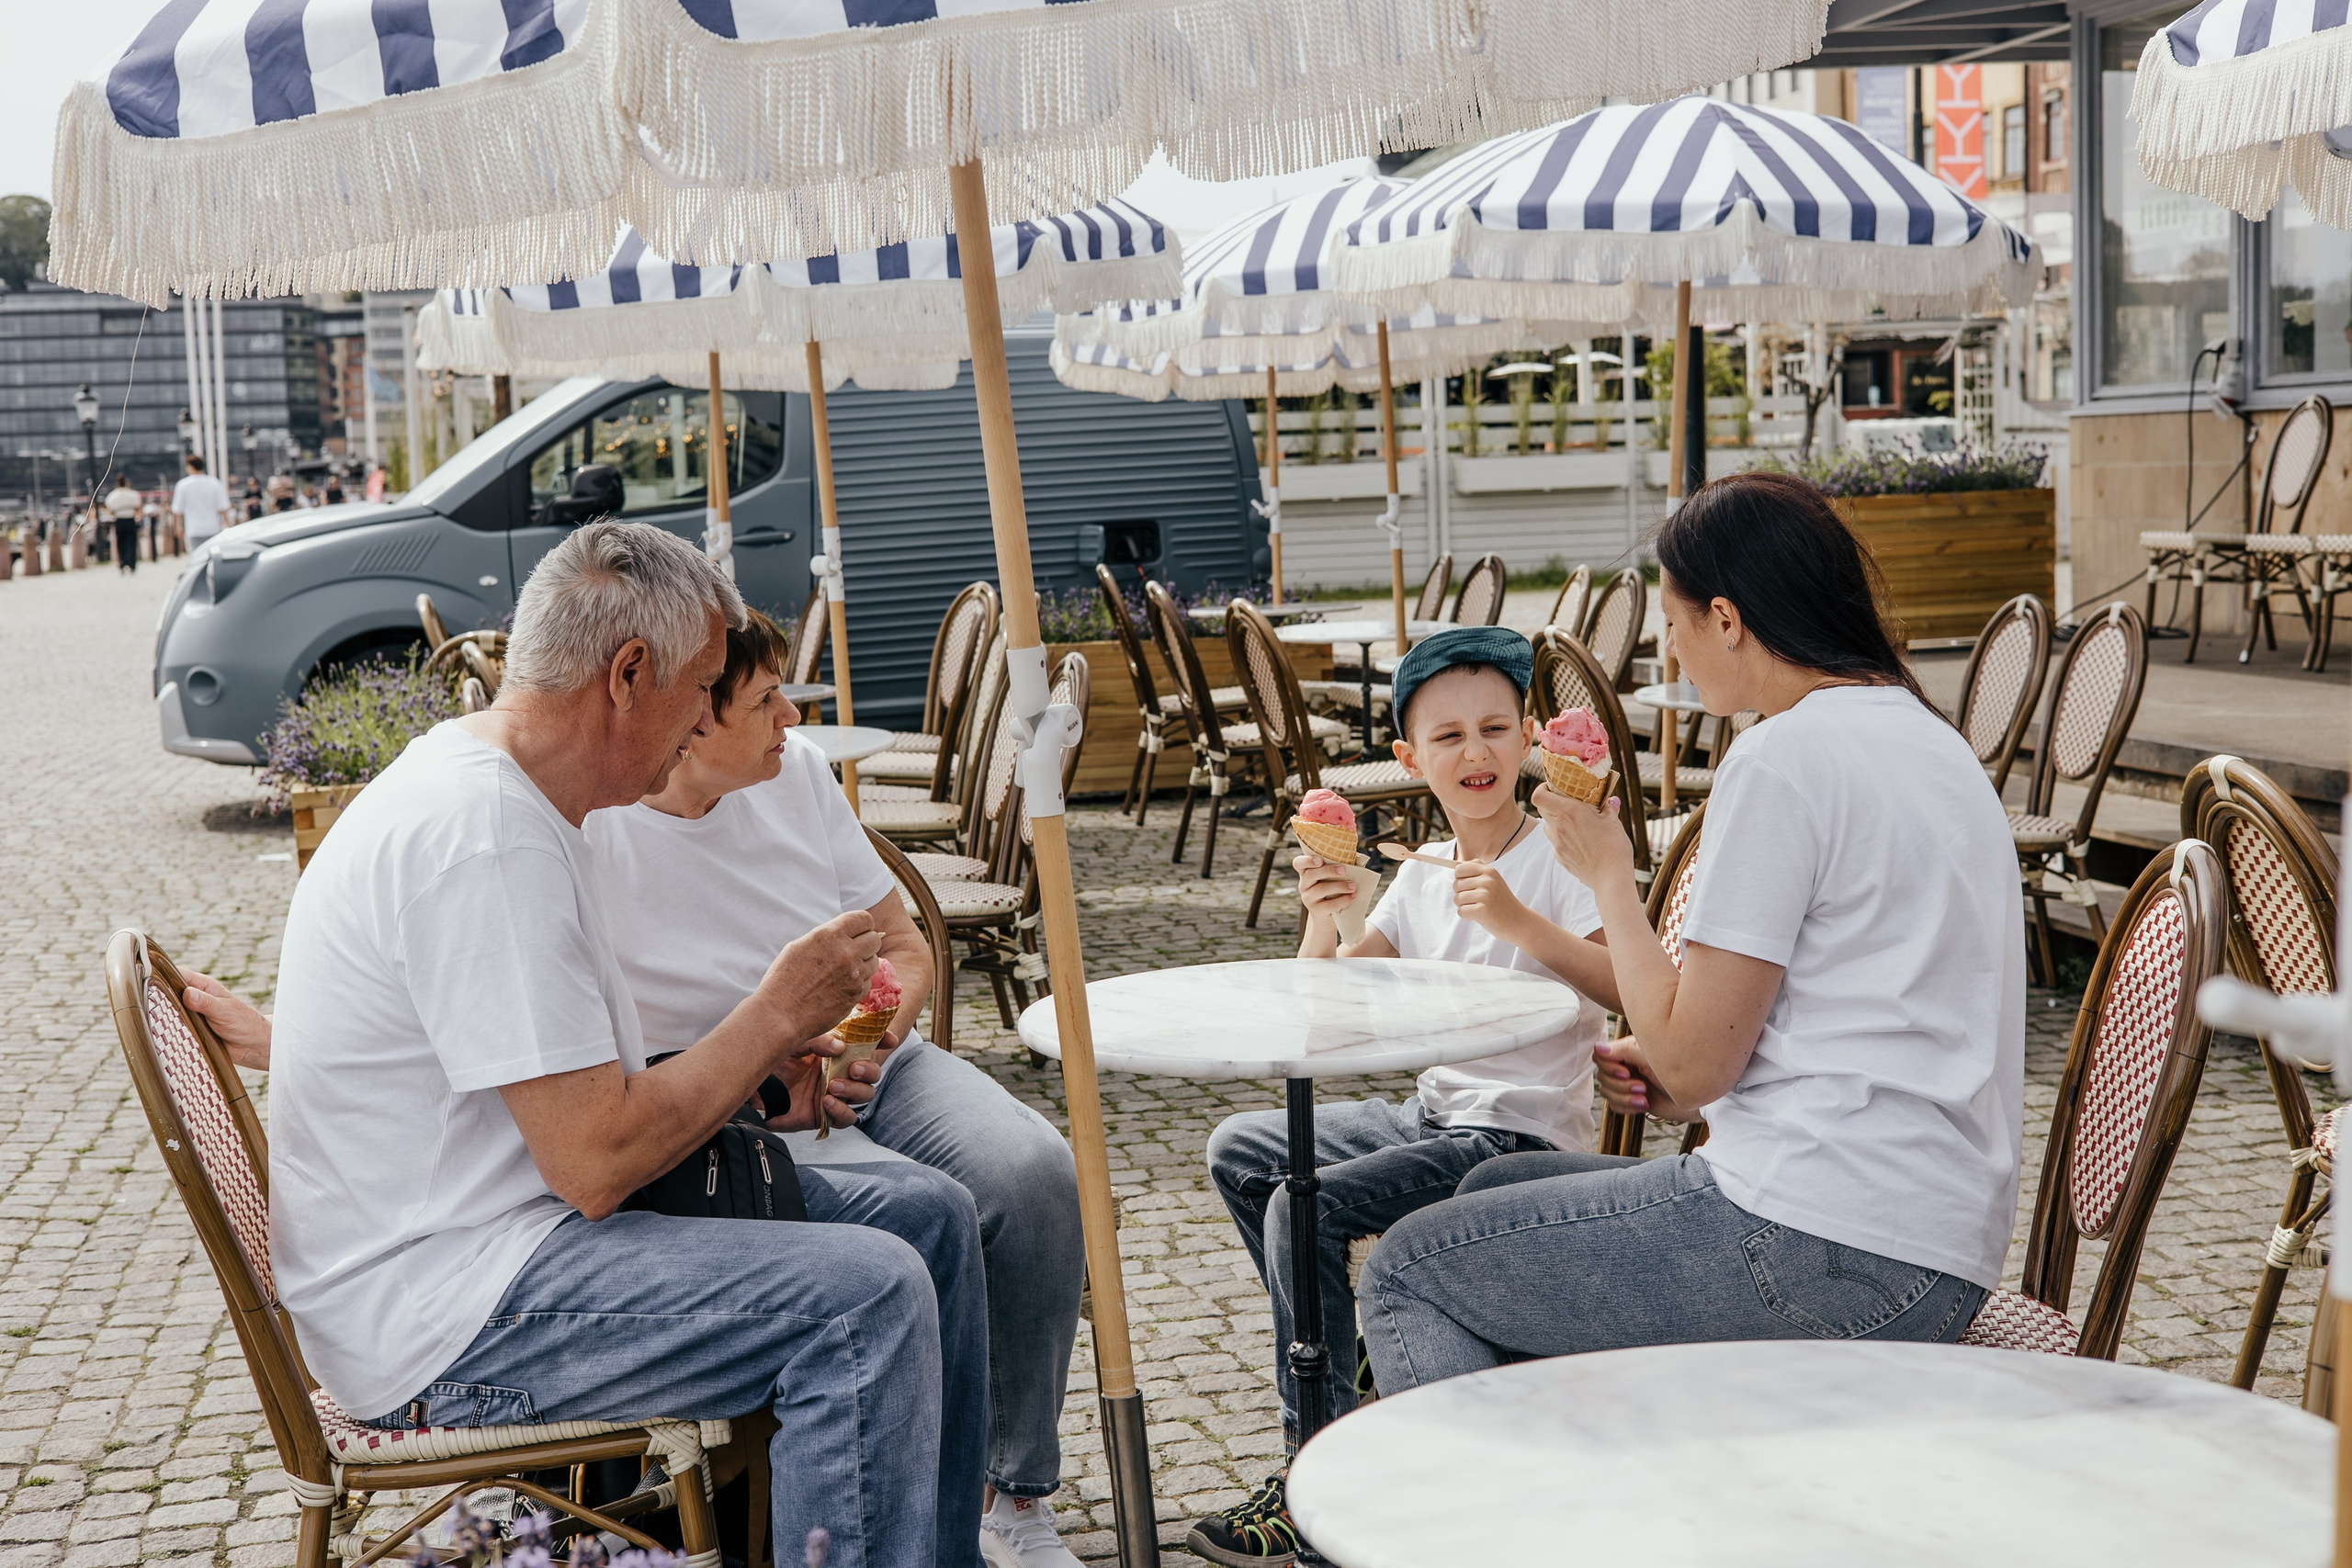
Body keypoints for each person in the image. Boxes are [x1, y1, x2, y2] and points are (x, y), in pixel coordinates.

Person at [266, 521, 988, 1568]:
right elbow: (595, 1162)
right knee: (862, 1298)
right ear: (628, 673)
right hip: (447, 1306)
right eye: (702, 690)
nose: (703, 721)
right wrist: (774, 1017)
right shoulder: (487, 839)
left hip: (494, 1233)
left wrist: (749, 1071)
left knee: (928, 1218)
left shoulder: (503, 790)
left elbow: (567, 1099)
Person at [1356, 471, 2022, 1400]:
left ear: (1725, 617)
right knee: (1483, 1203)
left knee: (1407, 1269)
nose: (1668, 649)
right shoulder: (1932, 741)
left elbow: (1696, 1064)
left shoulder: (1781, 758)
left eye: (1671, 625)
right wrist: (1675, 1076)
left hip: (1814, 1239)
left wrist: (1604, 873)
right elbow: (1822, 1027)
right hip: (1932, 1238)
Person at [581, 608, 1089, 1568]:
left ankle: (1013, 1494)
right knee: (903, 1229)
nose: (790, 721)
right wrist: (754, 1078)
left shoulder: (798, 778)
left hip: (864, 1064)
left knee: (1030, 1171)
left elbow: (900, 946)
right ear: (693, 719)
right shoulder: (594, 829)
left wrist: (861, 1044)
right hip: (711, 1109)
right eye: (766, 701)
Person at [1190, 625, 1621, 1568]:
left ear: (1531, 740)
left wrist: (1513, 917)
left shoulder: (1562, 854)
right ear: (1407, 757)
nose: (1474, 753)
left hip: (1518, 1138)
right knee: (1243, 1150)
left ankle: (1317, 1464)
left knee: (1305, 1208)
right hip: (1434, 1120)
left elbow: (1626, 984)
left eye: (1495, 729)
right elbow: (1329, 1011)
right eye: (1448, 736)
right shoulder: (1419, 874)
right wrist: (1322, 911)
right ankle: (1345, 1369)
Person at [170, 456, 230, 553]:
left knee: (197, 558)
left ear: (190, 467)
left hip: (193, 528)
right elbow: (223, 507)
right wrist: (227, 524)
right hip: (213, 527)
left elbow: (178, 510)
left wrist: (178, 527)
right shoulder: (214, 482)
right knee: (213, 557)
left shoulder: (183, 485)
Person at [103, 475, 142, 574]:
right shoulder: (133, 494)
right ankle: (132, 564)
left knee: (120, 543)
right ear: (127, 483)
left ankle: (122, 563)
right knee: (131, 543)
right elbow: (139, 508)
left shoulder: (113, 495)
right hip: (130, 519)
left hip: (119, 520)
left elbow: (109, 510)